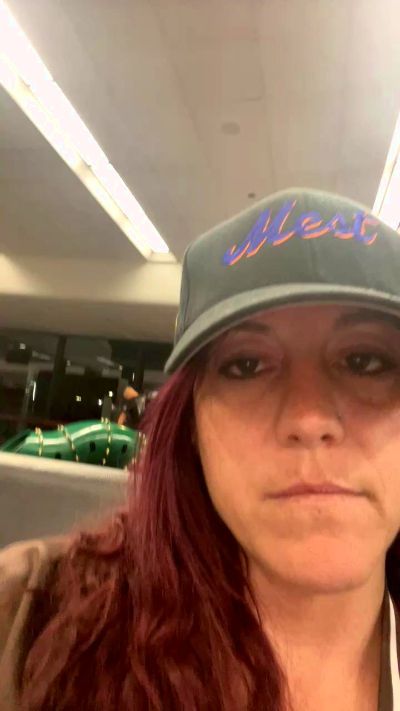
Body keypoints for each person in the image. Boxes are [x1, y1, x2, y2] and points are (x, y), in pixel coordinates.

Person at [1, 188, 400, 711]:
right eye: (246, 365)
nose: (309, 420)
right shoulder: (30, 620)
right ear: (191, 426)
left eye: (365, 361)